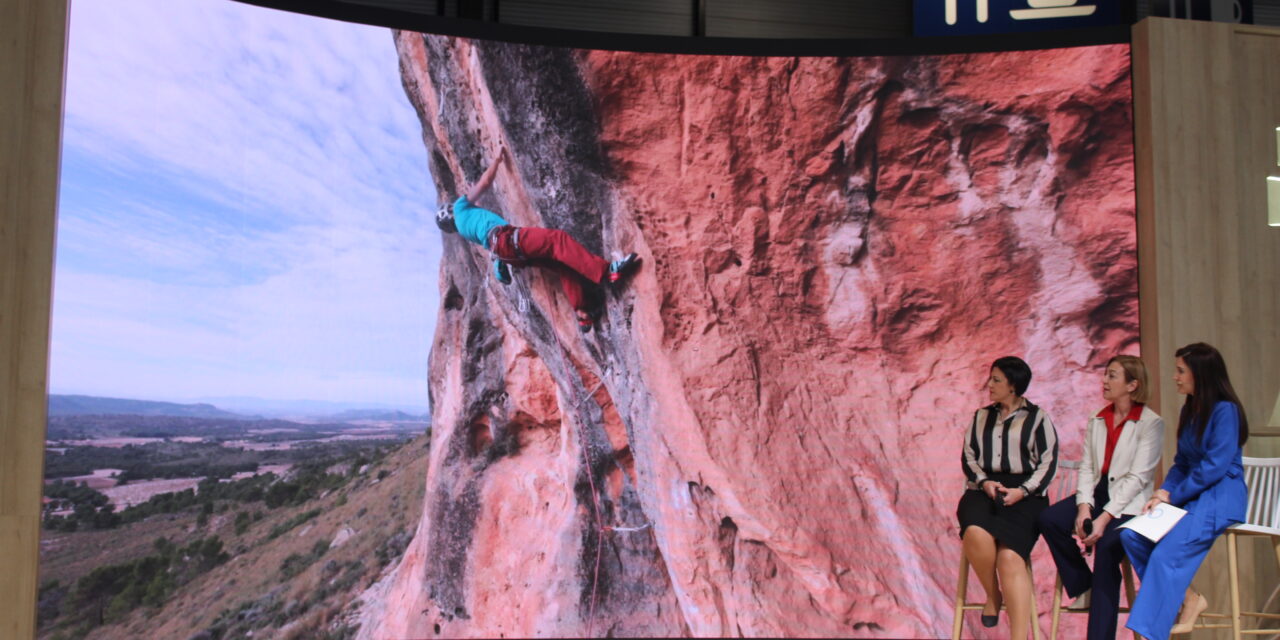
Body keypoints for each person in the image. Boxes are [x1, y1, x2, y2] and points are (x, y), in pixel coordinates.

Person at [1120, 342, 1250, 638]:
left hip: (1219, 497)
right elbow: (1181, 463)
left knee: (1167, 554)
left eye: (1180, 371)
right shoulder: (1190, 409)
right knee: (1132, 535)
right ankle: (1189, 598)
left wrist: (1172, 496)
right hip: (1189, 495)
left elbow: (1215, 467)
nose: (1175, 377)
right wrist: (1161, 493)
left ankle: (1151, 632)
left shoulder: (1225, 410)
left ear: (1200, 374)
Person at [434, 145, 640, 332]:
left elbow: (493, 249)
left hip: (510, 254)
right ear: (451, 212)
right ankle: (607, 271)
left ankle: (583, 313)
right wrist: (496, 160)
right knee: (557, 240)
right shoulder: (461, 208)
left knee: (563, 264)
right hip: (509, 240)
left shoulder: (466, 232)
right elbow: (485, 183)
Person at [1037, 355, 1164, 640]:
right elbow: (1088, 468)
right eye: (1105, 375)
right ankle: (1084, 584)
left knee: (1107, 549)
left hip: (1128, 503)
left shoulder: (1151, 424)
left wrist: (1104, 518)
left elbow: (1137, 479)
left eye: (1112, 376)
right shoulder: (1098, 417)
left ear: (1133, 385)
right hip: (1098, 493)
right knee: (1049, 519)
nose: (1104, 381)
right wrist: (1084, 507)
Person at [958, 356, 1060, 639]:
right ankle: (993, 594)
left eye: (996, 380)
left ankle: (1019, 636)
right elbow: (969, 457)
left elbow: (1048, 463)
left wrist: (1023, 491)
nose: (989, 385)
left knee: (1010, 558)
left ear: (1013, 386)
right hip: (984, 489)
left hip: (1026, 494)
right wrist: (985, 482)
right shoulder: (981, 416)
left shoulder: (1038, 418)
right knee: (975, 533)